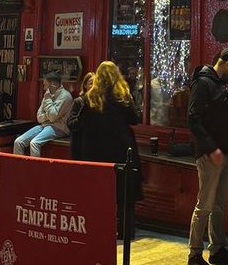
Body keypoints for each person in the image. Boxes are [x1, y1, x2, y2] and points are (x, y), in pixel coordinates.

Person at [186, 47, 228, 265]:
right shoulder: (203, 83)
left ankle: (218, 249)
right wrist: (211, 149)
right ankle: (194, 254)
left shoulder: (220, 85)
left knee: (220, 204)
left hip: (225, 152)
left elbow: (225, 117)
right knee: (205, 205)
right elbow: (193, 118)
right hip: (210, 154)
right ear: (227, 64)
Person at [78, 62, 143, 238]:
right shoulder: (123, 97)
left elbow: (81, 123)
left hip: (95, 151)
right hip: (121, 150)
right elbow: (135, 119)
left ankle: (99, 229)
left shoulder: (90, 98)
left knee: (98, 194)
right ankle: (125, 232)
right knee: (124, 196)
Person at [14, 75, 73, 156]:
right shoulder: (47, 95)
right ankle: (18, 164)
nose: (44, 88)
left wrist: (48, 101)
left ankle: (35, 165)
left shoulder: (65, 96)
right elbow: (39, 117)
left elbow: (52, 117)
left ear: (53, 85)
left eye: (45, 85)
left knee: (34, 143)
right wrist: (48, 117)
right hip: (44, 125)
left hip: (59, 127)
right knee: (18, 142)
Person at [68, 71, 95, 161]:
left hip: (95, 145)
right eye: (91, 83)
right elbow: (71, 124)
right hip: (80, 145)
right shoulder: (79, 102)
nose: (94, 86)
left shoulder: (100, 103)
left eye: (96, 83)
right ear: (85, 85)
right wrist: (84, 110)